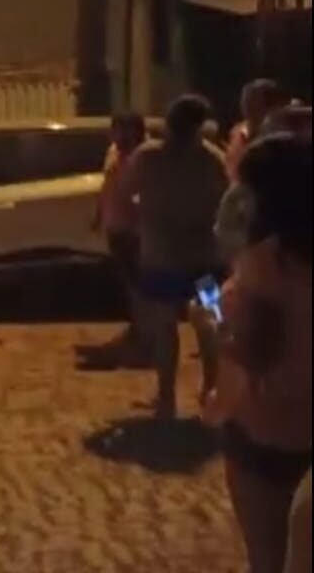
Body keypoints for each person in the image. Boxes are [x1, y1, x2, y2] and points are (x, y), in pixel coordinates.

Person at [200, 134, 311, 573]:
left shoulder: (261, 272)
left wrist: (211, 334)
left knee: (268, 560)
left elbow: (234, 379)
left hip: (270, 443)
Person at [118, 95, 229, 419]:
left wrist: (147, 216)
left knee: (165, 326)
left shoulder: (148, 157)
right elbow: (228, 202)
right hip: (205, 257)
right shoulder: (213, 159)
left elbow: (125, 196)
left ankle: (166, 397)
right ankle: (211, 390)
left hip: (161, 257)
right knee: (209, 322)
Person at [90, 112, 148, 364]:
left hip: (137, 232)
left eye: (126, 131)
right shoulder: (114, 152)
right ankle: (137, 330)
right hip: (117, 229)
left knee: (142, 287)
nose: (121, 136)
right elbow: (108, 185)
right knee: (129, 285)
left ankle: (147, 337)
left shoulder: (146, 157)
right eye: (117, 130)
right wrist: (98, 215)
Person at [226, 79, 289, 182]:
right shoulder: (238, 133)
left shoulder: (283, 137)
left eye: (252, 101)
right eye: (245, 100)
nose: (246, 106)